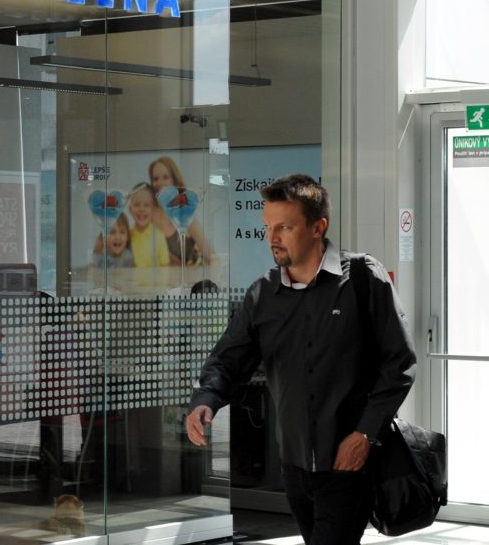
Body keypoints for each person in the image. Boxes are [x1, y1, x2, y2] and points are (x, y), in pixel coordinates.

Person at [185, 174, 416, 545]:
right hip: (293, 468)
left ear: (317, 227)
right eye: (268, 227)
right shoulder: (262, 294)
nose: (272, 237)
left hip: (349, 464)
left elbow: (399, 364)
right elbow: (228, 359)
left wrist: (364, 435)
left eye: (285, 227)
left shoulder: (362, 279)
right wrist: (205, 400)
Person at [148, 156, 215, 265]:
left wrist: (217, 271)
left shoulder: (185, 215)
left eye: (165, 177)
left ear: (175, 182)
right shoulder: (148, 217)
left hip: (192, 274)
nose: (160, 182)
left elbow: (211, 255)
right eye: (155, 179)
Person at [127, 182, 171, 267]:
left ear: (153, 210)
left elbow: (165, 266)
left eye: (146, 205)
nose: (141, 209)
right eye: (137, 205)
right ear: (130, 209)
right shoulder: (126, 236)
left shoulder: (159, 236)